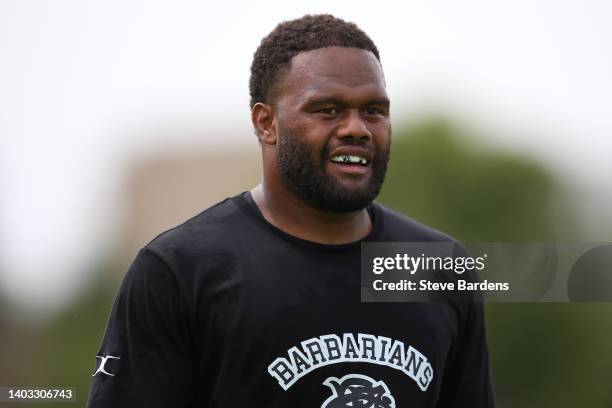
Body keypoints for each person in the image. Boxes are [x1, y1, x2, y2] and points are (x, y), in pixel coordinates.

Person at [86, 14, 495, 407]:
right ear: (266, 123)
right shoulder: (180, 271)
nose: (358, 128)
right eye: (328, 110)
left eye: (374, 110)